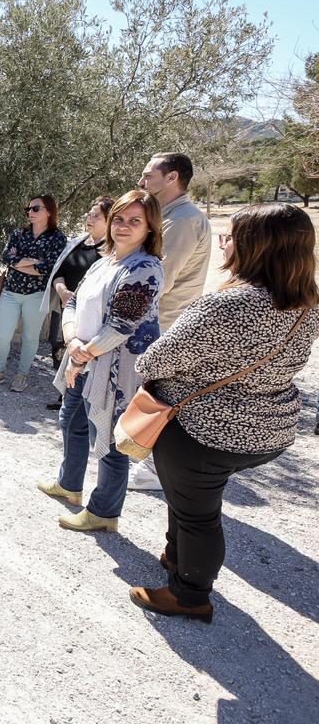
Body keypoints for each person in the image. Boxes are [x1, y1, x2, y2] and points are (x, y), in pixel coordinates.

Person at [128, 203, 319, 623]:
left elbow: (153, 363)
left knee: (198, 514)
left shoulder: (226, 306)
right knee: (188, 499)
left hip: (203, 432)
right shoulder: (308, 303)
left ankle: (190, 594)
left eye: (230, 237)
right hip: (270, 429)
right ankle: (176, 558)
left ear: (254, 246)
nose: (224, 244)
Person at [37, 190, 164, 533]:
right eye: (118, 219)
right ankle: (69, 484)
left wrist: (83, 351)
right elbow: (74, 303)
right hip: (83, 358)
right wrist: (73, 340)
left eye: (134, 221)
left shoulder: (145, 268)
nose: (123, 226)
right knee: (71, 421)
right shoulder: (102, 261)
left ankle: (104, 512)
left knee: (108, 441)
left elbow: (122, 326)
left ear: (150, 227)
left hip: (114, 368)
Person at [129, 152, 212, 491]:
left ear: (172, 177)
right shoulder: (169, 216)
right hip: (156, 320)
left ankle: (153, 469)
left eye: (148, 175)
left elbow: (161, 278)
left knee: (158, 393)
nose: (142, 181)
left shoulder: (183, 220)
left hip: (164, 322)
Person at [0, 195, 67, 392]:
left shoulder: (58, 238)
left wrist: (20, 261)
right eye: (28, 209)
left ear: (49, 211)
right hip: (11, 292)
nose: (30, 212)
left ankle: (22, 375)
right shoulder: (19, 233)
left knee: (30, 337)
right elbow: (6, 257)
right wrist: (34, 262)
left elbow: (50, 267)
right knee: (2, 335)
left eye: (35, 209)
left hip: (37, 294)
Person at [40, 196, 114, 410]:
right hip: (65, 308)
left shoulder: (110, 251)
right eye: (89, 214)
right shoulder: (79, 242)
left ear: (110, 220)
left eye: (96, 216)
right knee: (58, 347)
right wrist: (62, 292)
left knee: (81, 353)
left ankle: (78, 399)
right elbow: (59, 271)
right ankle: (64, 393)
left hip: (89, 315)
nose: (90, 219)